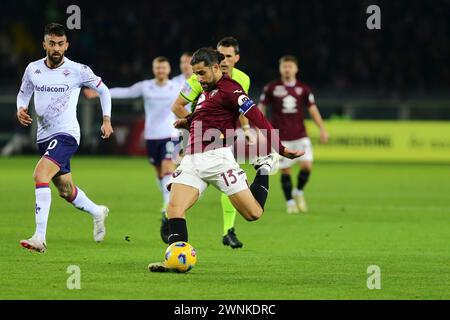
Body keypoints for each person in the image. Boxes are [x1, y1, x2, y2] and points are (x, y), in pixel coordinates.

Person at [148, 48, 304, 272]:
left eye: (201, 73)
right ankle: (177, 262)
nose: (198, 79)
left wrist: (278, 148)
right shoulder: (205, 91)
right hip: (192, 159)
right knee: (174, 208)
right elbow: (208, 115)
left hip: (218, 159)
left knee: (253, 213)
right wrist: (189, 122)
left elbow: (256, 116)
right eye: (195, 74)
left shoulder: (232, 89)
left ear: (215, 68)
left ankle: (264, 166)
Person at [17, 23, 113, 253]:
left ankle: (40, 237)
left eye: (60, 44)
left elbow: (104, 90)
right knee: (65, 190)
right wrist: (20, 109)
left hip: (67, 134)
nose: (56, 48)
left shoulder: (78, 70)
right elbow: (24, 93)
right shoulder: (33, 69)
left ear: (66, 45)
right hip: (44, 137)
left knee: (40, 175)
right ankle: (97, 211)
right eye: (52, 43)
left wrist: (106, 119)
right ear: (44, 44)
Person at [85, 56, 180, 242]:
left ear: (168, 70)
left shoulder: (176, 87)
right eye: (157, 67)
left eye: (163, 67)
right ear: (154, 69)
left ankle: (168, 208)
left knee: (169, 168)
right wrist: (99, 93)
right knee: (159, 173)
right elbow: (125, 92)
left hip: (171, 134)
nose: (160, 70)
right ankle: (166, 201)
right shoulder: (146, 86)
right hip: (152, 135)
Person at [171, 37, 252, 249]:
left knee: (230, 182)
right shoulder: (196, 79)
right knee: (179, 179)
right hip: (197, 136)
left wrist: (246, 129)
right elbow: (178, 106)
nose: (224, 60)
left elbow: (241, 107)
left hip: (226, 136)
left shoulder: (243, 79)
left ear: (236, 58)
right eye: (220, 55)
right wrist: (198, 127)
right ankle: (170, 214)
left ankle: (228, 230)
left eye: (228, 56)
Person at [258, 55, 328, 213]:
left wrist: (322, 129)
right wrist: (259, 129)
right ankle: (290, 202)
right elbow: (261, 108)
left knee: (307, 166)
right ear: (280, 68)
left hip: (300, 135)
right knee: (286, 170)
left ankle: (298, 192)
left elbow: (313, 110)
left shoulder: (303, 89)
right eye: (284, 66)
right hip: (280, 137)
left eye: (290, 66)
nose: (287, 69)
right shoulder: (271, 88)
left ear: (296, 69)